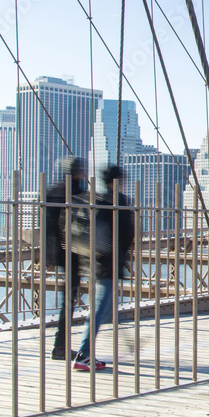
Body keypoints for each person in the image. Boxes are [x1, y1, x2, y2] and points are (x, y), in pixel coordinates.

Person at [74, 165, 135, 371]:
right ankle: (84, 354)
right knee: (100, 310)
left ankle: (85, 353)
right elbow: (127, 234)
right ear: (116, 181)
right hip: (111, 262)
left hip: (97, 261)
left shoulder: (98, 201)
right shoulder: (120, 201)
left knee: (102, 307)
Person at [46, 156, 86, 362]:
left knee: (68, 299)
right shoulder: (77, 193)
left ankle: (61, 345)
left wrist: (48, 254)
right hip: (74, 251)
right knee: (69, 300)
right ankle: (60, 346)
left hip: (60, 252)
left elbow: (47, 226)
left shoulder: (53, 191)